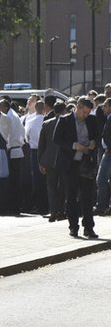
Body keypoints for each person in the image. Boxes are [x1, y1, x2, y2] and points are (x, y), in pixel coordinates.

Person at [52, 98, 100, 238]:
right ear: (78, 107)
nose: (85, 115)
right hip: (70, 164)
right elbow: (57, 140)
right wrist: (73, 145)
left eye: (88, 113)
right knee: (71, 197)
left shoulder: (91, 120)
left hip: (86, 163)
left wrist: (93, 143)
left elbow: (97, 136)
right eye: (84, 112)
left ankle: (89, 228)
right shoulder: (65, 120)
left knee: (87, 197)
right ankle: (73, 227)